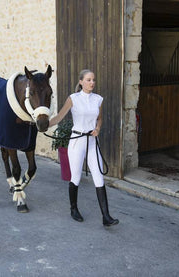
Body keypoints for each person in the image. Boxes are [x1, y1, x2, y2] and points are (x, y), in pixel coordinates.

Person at [49, 69, 119, 226]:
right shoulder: (73, 98)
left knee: (99, 177)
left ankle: (106, 217)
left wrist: (98, 128)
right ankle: (73, 209)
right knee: (76, 177)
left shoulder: (98, 99)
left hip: (93, 141)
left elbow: (99, 119)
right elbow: (59, 117)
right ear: (81, 82)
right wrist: (42, 125)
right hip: (77, 141)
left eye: (93, 80)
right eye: (88, 80)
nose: (92, 82)